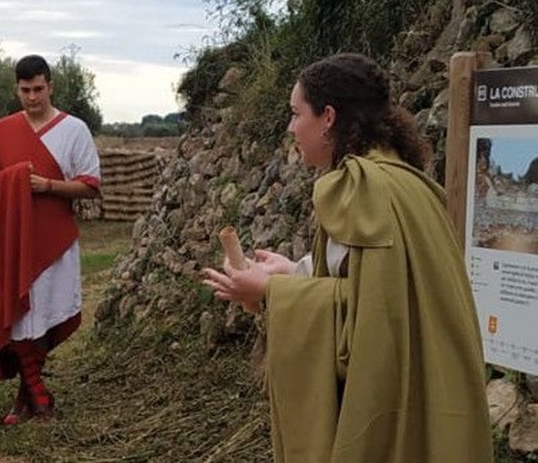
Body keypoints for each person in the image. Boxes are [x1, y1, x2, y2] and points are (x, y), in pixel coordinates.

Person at [202, 53, 493, 462]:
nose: (290, 128)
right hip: (436, 381)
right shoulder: (407, 182)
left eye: (296, 113)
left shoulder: (358, 188)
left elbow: (369, 312)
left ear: (328, 117)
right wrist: (294, 271)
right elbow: (372, 277)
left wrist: (272, 290)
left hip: (386, 398)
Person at [0, 54, 101, 425]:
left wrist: (47, 186)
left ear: (50, 86)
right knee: (19, 319)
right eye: (25, 90)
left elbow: (90, 187)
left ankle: (28, 396)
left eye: (38, 89)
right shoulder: (3, 130)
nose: (32, 98)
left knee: (44, 318)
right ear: (17, 89)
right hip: (13, 243)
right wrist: (9, 179)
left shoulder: (74, 129)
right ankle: (38, 397)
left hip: (54, 241)